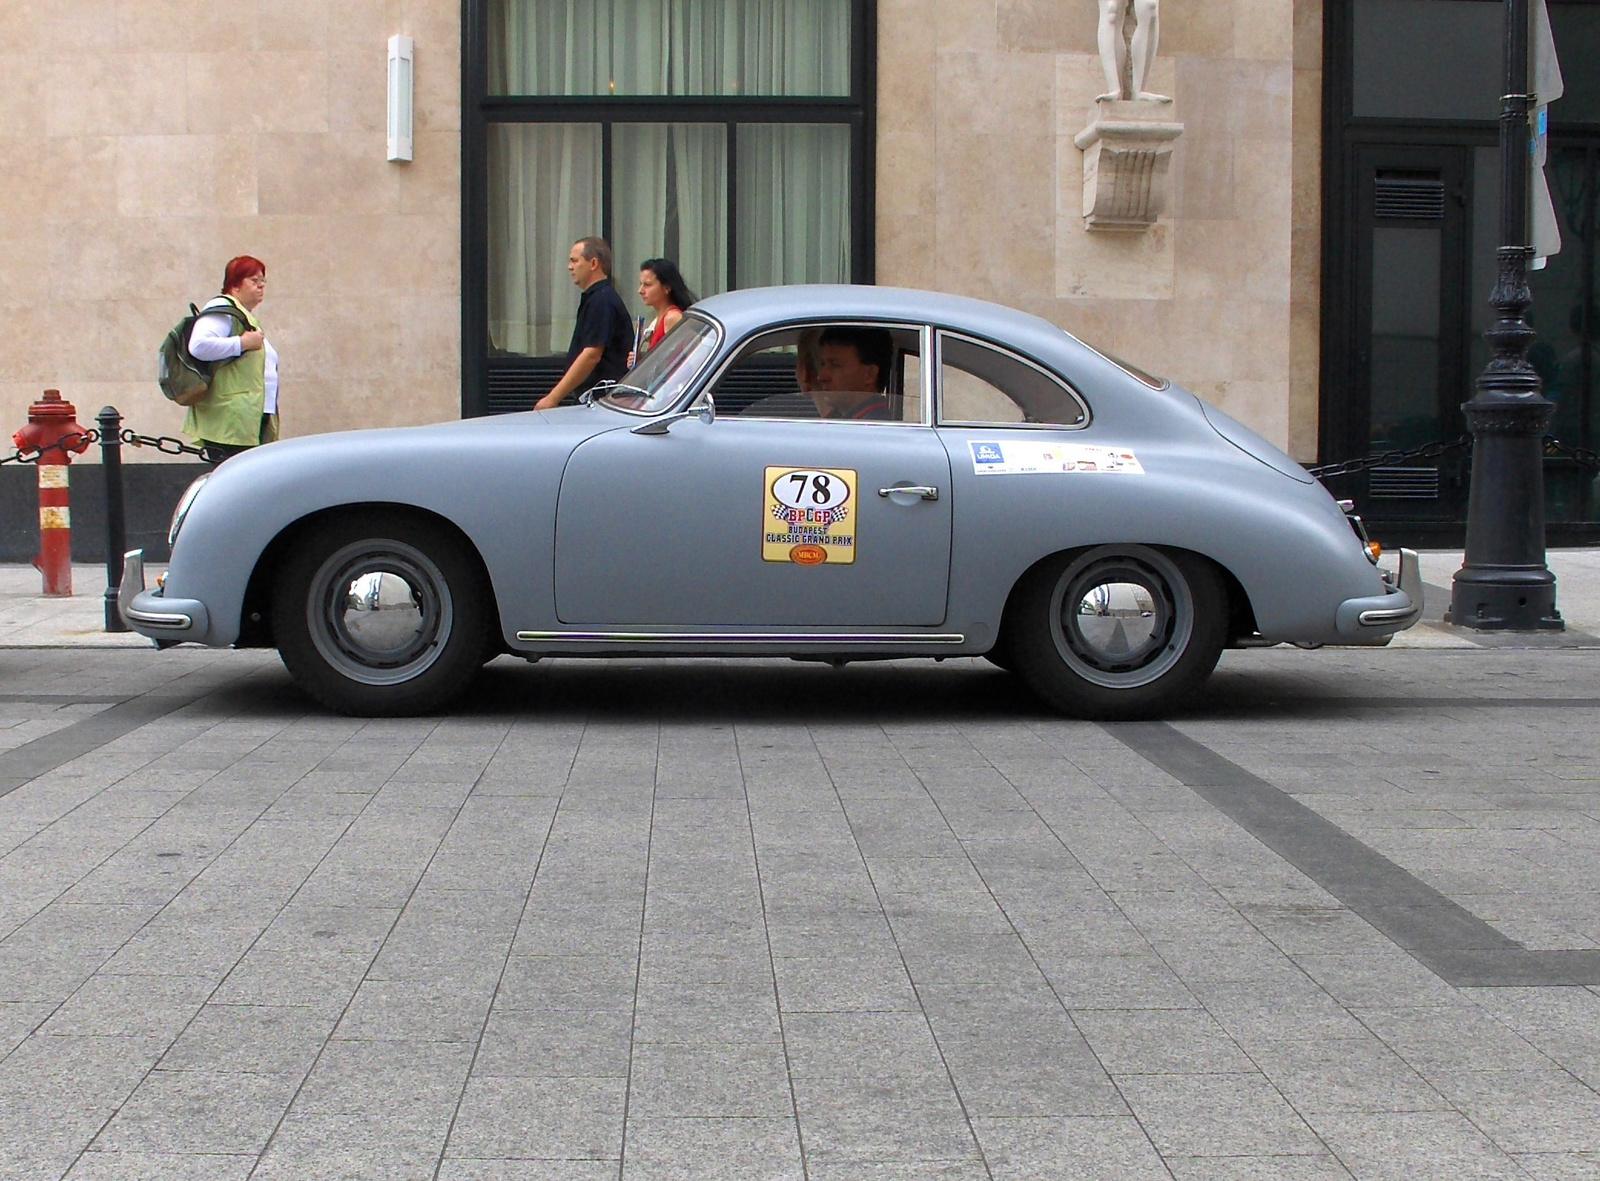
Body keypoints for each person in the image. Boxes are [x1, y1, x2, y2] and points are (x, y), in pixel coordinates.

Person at [186, 255, 279, 464]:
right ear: (235, 285)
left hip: (246, 418)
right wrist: (242, 343)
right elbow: (199, 345)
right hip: (231, 421)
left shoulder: (242, 314)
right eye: (254, 281)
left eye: (263, 281)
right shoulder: (222, 309)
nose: (261, 286)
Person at [535, 237, 633, 410]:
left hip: (600, 400)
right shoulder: (596, 297)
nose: (570, 267)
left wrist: (552, 398)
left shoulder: (601, 300)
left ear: (593, 263)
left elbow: (591, 355)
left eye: (575, 261)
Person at [811, 326, 895, 420]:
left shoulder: (870, 429)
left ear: (869, 374)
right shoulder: (853, 420)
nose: (821, 377)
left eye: (835, 365)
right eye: (822, 364)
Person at [634, 257, 697, 362]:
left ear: (667, 287)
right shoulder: (659, 318)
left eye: (648, 285)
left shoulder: (672, 318)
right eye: (641, 284)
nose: (640, 291)